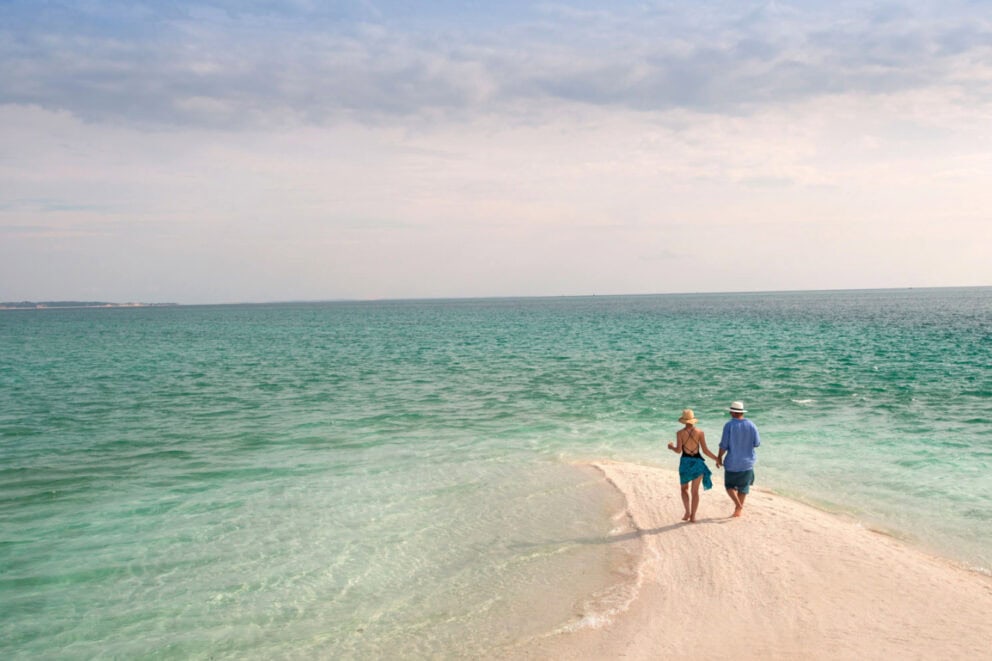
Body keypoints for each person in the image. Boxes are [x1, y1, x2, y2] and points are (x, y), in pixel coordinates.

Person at [667, 409, 719, 522]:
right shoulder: (700, 433)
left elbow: (678, 451)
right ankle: (693, 516)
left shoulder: (680, 433)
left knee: (684, 489)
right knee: (695, 492)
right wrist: (717, 459)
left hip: (685, 463)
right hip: (697, 463)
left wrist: (671, 447)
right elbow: (705, 451)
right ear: (693, 420)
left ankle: (687, 512)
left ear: (684, 421)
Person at [716, 401, 761, 518]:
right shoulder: (752, 425)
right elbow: (757, 443)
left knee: (729, 486)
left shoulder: (729, 425)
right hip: (747, 463)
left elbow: (723, 445)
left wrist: (719, 457)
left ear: (733, 412)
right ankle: (738, 510)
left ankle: (738, 505)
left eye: (731, 411)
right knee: (743, 488)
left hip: (732, 462)